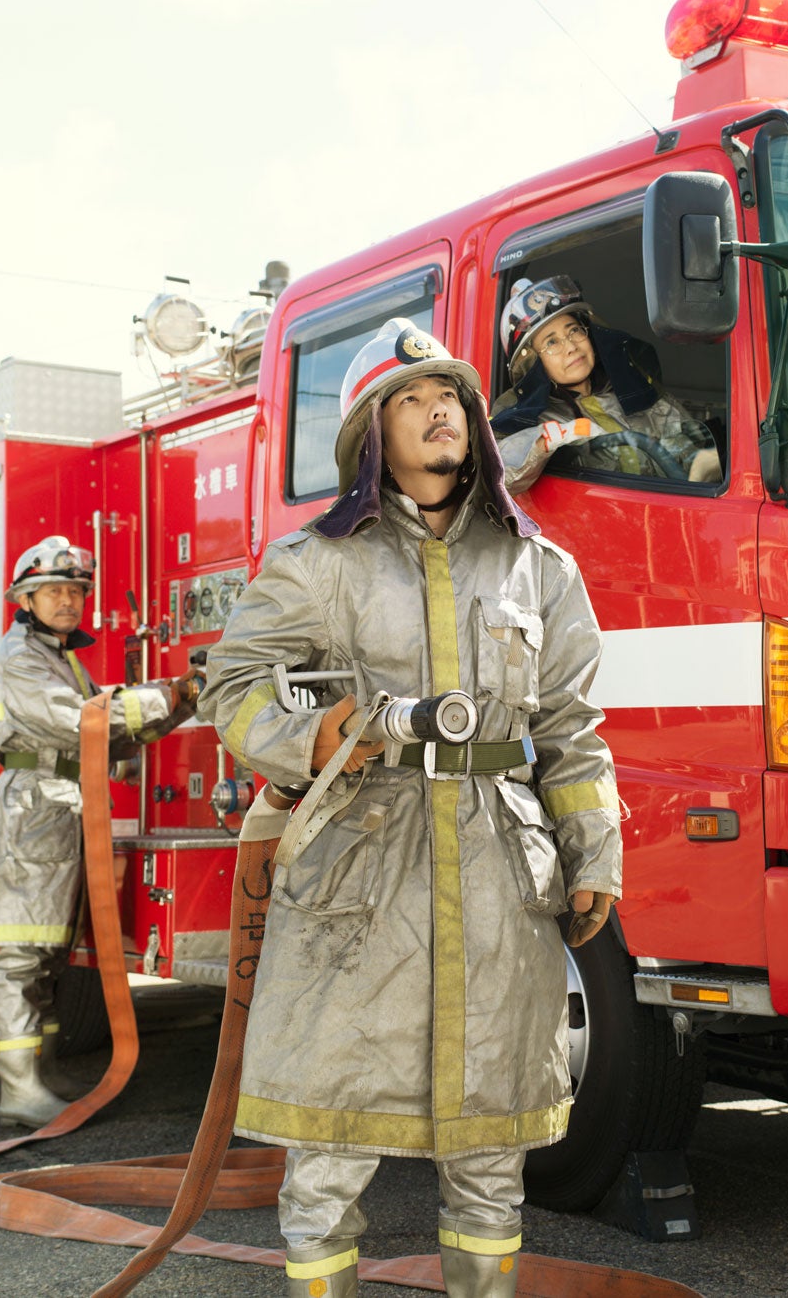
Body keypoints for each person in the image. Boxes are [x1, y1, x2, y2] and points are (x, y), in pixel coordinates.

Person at [197, 318, 622, 1298]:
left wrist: (593, 852)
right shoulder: (317, 563)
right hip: (359, 872)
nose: (439, 411)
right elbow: (234, 686)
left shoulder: (540, 571)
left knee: (489, 1155)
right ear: (369, 436)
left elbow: (570, 725)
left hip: (499, 881)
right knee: (327, 1147)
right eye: (410, 399)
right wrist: (324, 732)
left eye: (451, 398)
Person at [0, 536, 200, 1127]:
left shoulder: (61, 656)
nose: (68, 601)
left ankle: (40, 1072)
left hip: (59, 807)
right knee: (19, 954)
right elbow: (81, 722)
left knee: (48, 955)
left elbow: (111, 733)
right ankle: (18, 1091)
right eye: (55, 591)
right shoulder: (20, 657)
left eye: (76, 591)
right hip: (32, 807)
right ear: (26, 598)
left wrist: (183, 702)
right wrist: (165, 693)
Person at [490, 274, 720, 491]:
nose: (571, 347)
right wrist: (542, 443)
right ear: (533, 364)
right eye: (552, 343)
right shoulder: (533, 424)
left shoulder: (636, 394)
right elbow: (498, 475)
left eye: (574, 331)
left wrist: (703, 463)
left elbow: (688, 450)